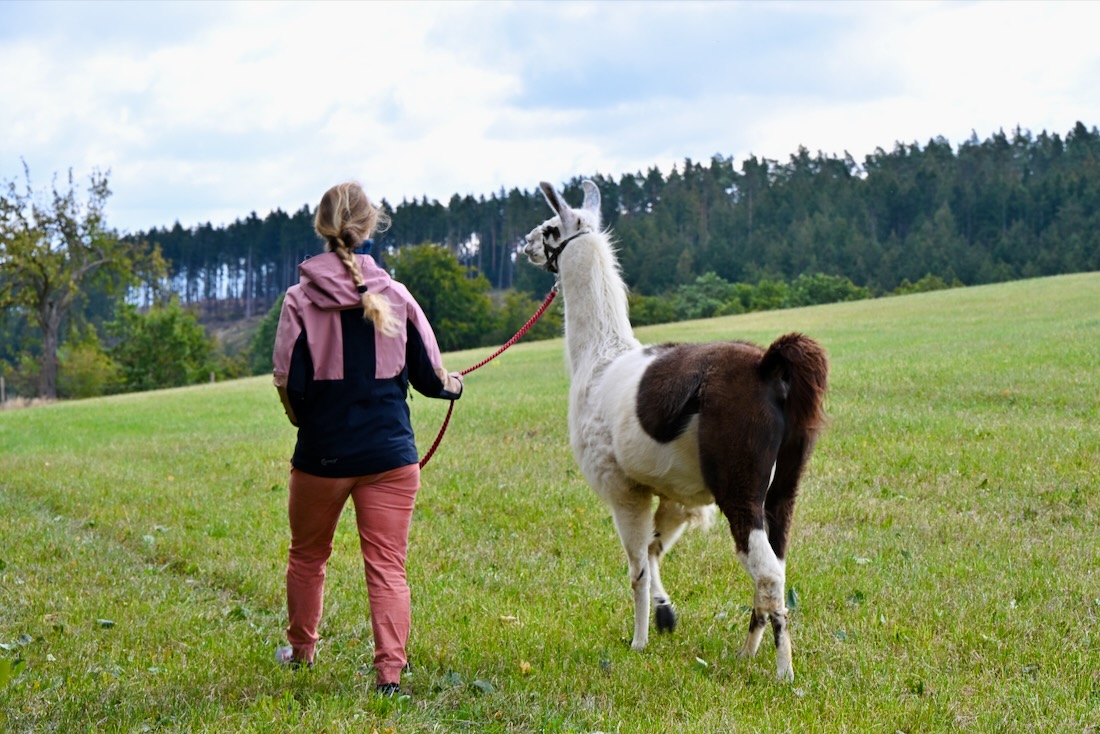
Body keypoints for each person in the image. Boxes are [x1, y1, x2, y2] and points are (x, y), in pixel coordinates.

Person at [272, 181, 463, 696]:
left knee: (308, 555)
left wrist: (308, 424)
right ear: (370, 225)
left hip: (321, 455)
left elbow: (290, 383)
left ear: (323, 228)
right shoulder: (396, 295)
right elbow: (429, 377)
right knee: (387, 567)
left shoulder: (298, 300)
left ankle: (302, 651)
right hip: (390, 455)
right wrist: (455, 386)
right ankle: (390, 676)